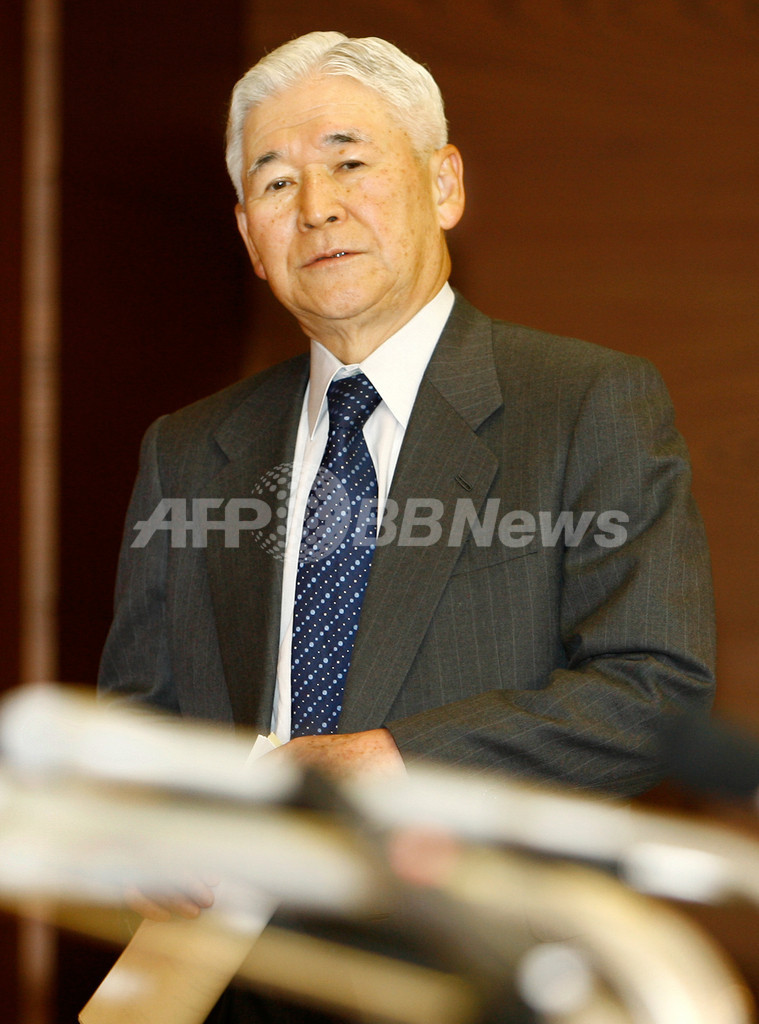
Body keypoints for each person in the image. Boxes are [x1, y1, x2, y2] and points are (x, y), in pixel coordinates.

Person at [98, 30, 716, 1022]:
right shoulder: (187, 447)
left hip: (482, 978)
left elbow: (653, 692)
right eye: (276, 183)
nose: (318, 207)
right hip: (239, 984)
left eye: (350, 162)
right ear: (250, 238)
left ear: (444, 185)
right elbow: (137, 719)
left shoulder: (587, 402)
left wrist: (386, 760)